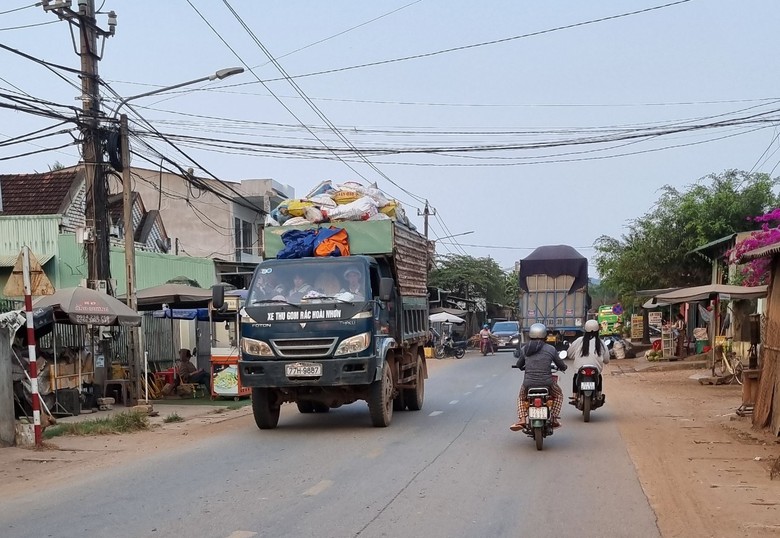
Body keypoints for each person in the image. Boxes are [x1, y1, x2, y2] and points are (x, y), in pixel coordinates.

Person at [510, 323, 567, 431]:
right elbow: (560, 364)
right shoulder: (551, 349)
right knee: (559, 395)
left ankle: (522, 419)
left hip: (528, 384)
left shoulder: (525, 349)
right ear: (545, 335)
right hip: (548, 383)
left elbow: (519, 364)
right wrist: (563, 367)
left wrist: (522, 366)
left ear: (530, 335)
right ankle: (554, 418)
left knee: (521, 398)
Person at [566, 319, 610, 399]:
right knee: (599, 377)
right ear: (597, 330)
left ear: (585, 330)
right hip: (595, 370)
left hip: (580, 369)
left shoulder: (579, 341)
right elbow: (607, 360)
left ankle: (574, 395)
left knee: (576, 376)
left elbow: (569, 354)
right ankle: (599, 394)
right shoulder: (601, 343)